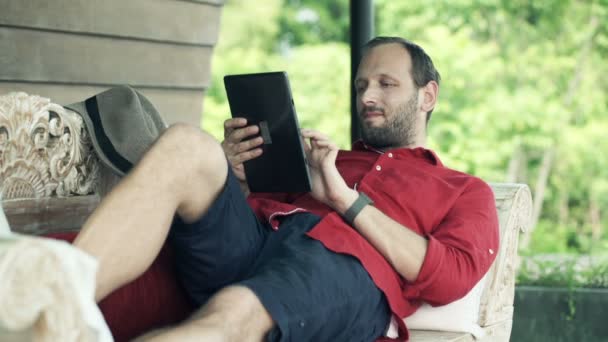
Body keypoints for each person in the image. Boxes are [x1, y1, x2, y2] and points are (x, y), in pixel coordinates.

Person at [73, 36, 499, 341]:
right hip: (258, 243)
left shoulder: (464, 189)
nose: (368, 96)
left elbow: (449, 276)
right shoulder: (326, 160)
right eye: (361, 86)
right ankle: (52, 295)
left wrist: (346, 200)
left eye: (386, 84)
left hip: (346, 269)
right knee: (189, 144)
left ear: (428, 96)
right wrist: (232, 173)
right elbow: (242, 215)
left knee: (237, 311)